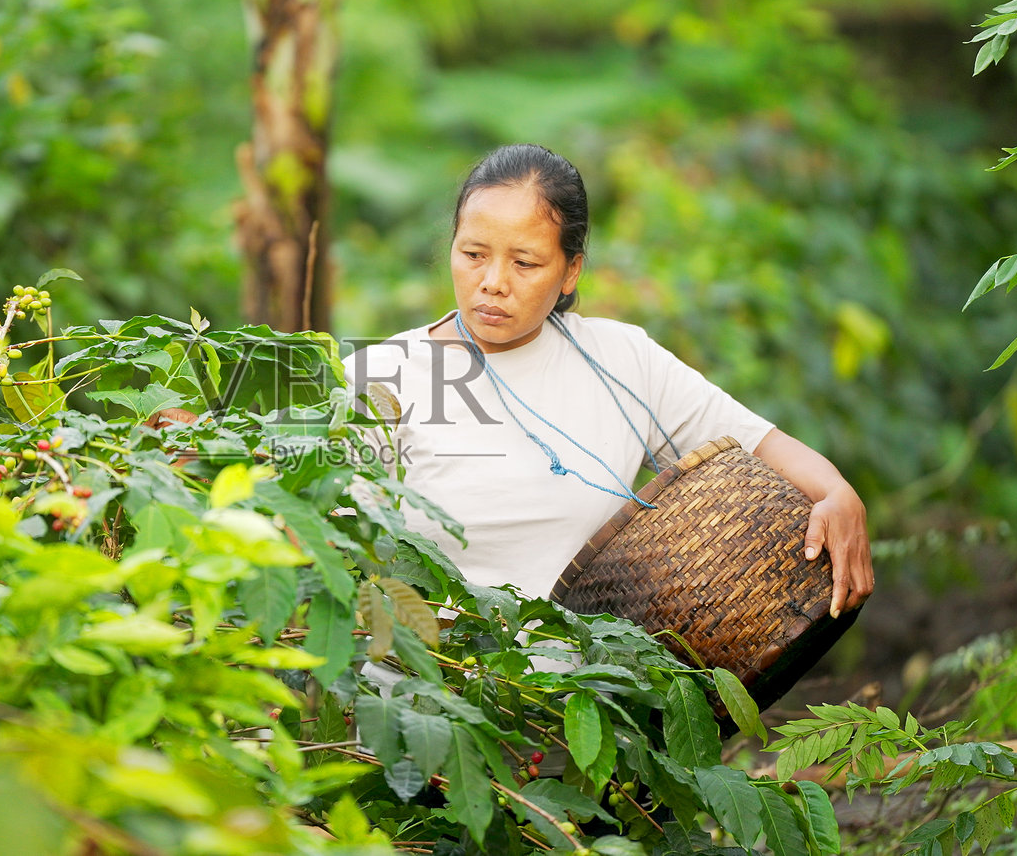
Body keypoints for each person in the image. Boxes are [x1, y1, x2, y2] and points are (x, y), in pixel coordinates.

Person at [345, 143, 874, 618]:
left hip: (587, 707)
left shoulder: (622, 361)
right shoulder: (382, 377)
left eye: (525, 262)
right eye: (473, 255)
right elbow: (325, 551)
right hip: (426, 703)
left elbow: (760, 446)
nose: (492, 283)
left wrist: (837, 492)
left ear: (570, 271)